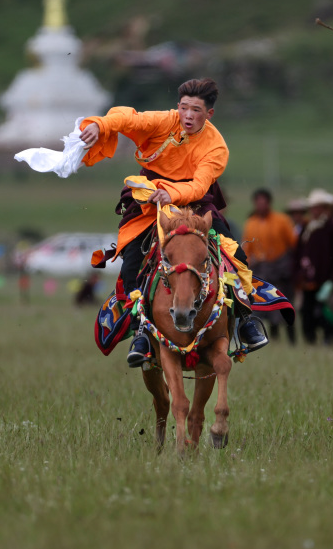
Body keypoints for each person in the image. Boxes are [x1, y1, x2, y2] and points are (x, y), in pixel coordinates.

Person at [78, 78, 269, 367]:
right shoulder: (164, 120)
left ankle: (245, 320)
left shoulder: (216, 146)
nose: (188, 115)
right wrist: (99, 124)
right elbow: (129, 119)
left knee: (234, 253)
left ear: (209, 114)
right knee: (132, 258)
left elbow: (200, 185)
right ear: (177, 106)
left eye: (196, 110)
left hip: (195, 202)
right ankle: (141, 332)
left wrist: (171, 194)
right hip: (149, 198)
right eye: (184, 108)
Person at [242, 188, 297, 343]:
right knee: (264, 305)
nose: (261, 205)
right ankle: (272, 338)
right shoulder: (250, 223)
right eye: (258, 202)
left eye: (263, 202)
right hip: (261, 270)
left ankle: (292, 339)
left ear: (269, 203)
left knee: (284, 303)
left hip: (281, 270)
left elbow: (293, 244)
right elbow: (247, 250)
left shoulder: (282, 220)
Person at [292, 189, 333, 344]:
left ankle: (330, 339)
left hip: (325, 279)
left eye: (318, 207)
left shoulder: (331, 228)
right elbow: (299, 253)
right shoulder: (307, 228)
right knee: (306, 312)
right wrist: (298, 274)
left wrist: (332, 279)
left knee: (325, 312)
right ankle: (310, 340)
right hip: (307, 280)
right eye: (313, 207)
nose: (315, 210)